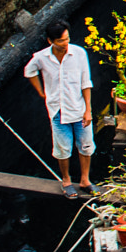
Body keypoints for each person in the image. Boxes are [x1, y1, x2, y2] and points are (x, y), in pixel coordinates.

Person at [24, 18, 93, 197]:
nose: (65, 43)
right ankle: (66, 180)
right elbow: (29, 71)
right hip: (57, 110)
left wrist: (88, 110)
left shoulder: (79, 53)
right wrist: (41, 91)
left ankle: (85, 179)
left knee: (85, 145)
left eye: (67, 39)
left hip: (78, 107)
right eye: (61, 41)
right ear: (50, 41)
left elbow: (86, 82)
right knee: (63, 149)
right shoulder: (41, 57)